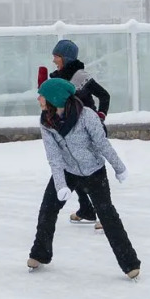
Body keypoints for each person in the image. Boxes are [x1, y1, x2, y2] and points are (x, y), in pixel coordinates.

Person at [28, 77, 140, 280]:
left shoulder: (87, 116)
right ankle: (40, 253)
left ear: (54, 98)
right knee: (48, 209)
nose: (38, 99)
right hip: (68, 171)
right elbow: (53, 157)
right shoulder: (46, 121)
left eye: (42, 95)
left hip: (94, 172)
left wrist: (119, 168)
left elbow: (102, 144)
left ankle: (130, 262)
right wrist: (61, 184)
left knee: (107, 215)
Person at [38, 39, 112, 228]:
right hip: (69, 133)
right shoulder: (57, 77)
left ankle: (105, 216)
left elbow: (104, 95)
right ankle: (86, 209)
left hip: (88, 132)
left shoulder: (80, 76)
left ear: (66, 57)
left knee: (94, 173)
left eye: (57, 56)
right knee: (73, 168)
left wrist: (100, 117)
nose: (54, 60)